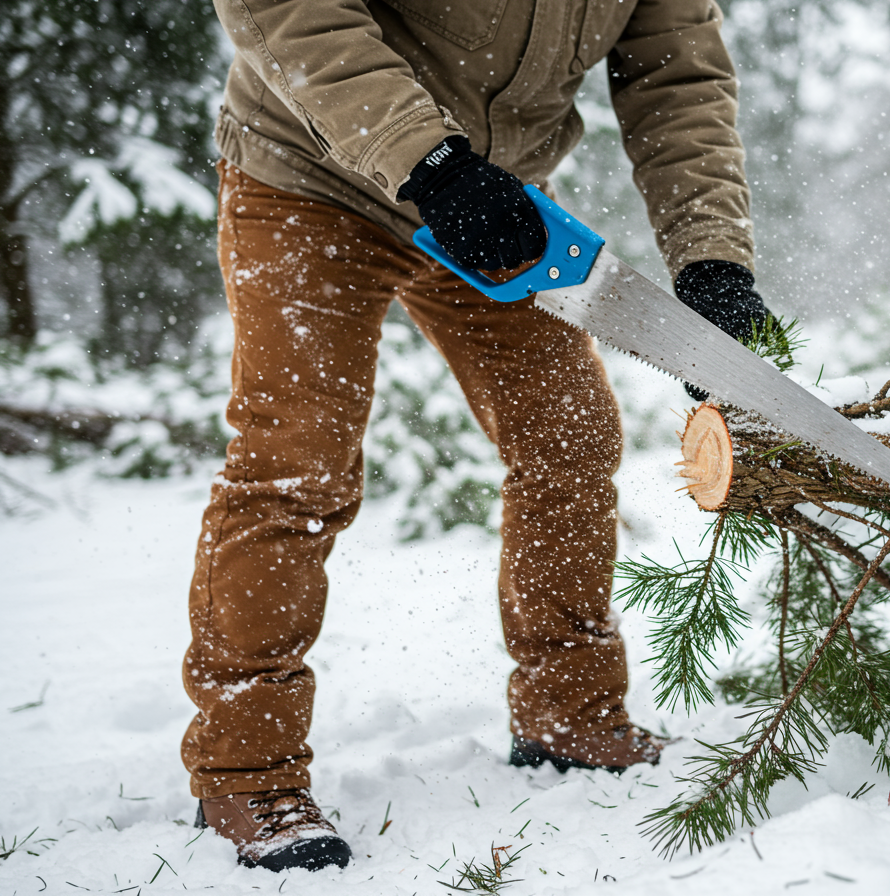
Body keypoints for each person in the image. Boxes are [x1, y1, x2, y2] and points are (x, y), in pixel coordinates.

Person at [185, 0, 769, 872]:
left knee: (568, 439)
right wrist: (430, 161)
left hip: (494, 207)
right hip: (314, 177)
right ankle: (245, 768)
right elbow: (293, 10)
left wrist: (711, 260)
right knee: (297, 464)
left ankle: (568, 714)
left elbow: (676, 83)